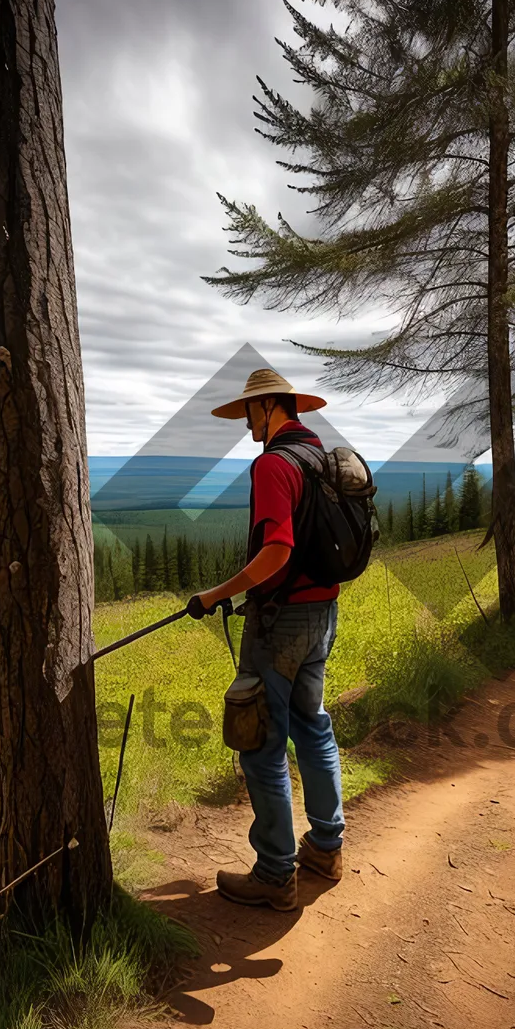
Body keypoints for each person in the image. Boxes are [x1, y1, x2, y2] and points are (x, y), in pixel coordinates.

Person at [187, 368, 345, 911]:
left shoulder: (274, 464)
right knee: (313, 728)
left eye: (249, 413)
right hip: (323, 612)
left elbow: (277, 548)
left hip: (280, 622)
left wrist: (215, 595)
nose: (247, 424)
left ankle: (276, 873)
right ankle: (326, 848)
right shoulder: (320, 455)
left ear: (268, 408)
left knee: (260, 746)